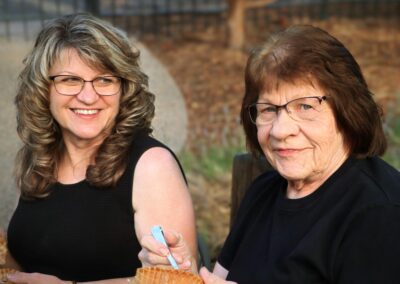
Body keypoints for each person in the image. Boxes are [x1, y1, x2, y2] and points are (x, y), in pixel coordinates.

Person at [139, 25, 400, 283]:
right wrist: (184, 273)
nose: (280, 130)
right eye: (268, 110)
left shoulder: (379, 213)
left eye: (305, 106)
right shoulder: (262, 192)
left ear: (348, 111)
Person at [2, 13, 197, 283]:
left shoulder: (152, 166)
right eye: (70, 80)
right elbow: (27, 267)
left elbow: (180, 280)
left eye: (105, 80)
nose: (88, 96)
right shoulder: (41, 158)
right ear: (44, 89)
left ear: (123, 89)